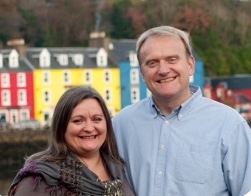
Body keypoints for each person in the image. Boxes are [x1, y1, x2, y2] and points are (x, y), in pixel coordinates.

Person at [112, 26, 251, 196]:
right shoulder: (121, 125)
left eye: (172, 59)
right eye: (152, 63)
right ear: (142, 73)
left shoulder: (229, 125)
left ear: (190, 65)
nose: (163, 70)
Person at [8, 86, 135, 196]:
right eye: (78, 121)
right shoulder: (40, 180)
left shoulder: (119, 170)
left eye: (97, 119)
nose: (89, 128)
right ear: (61, 127)